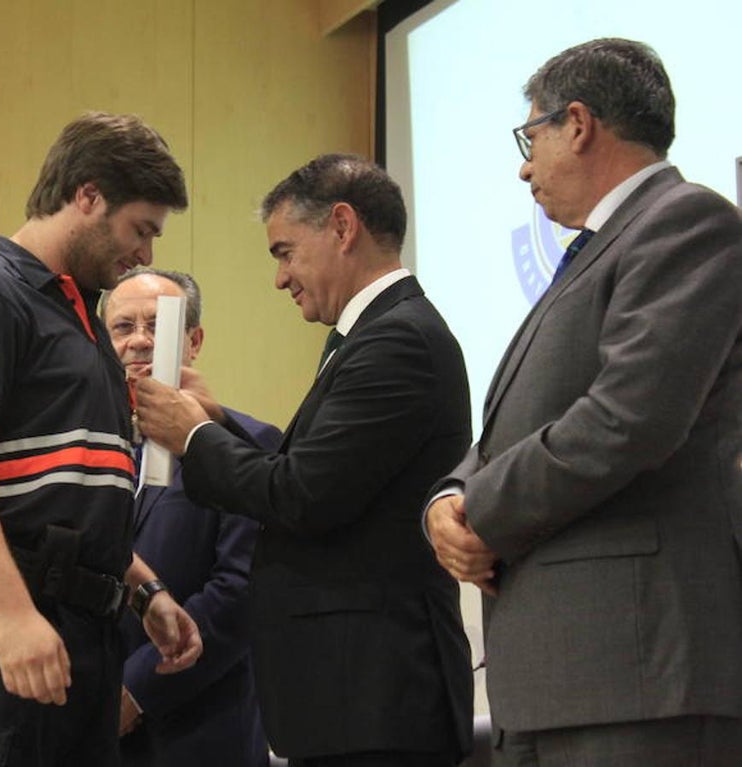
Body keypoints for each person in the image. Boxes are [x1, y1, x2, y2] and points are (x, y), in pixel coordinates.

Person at [425, 38, 742, 767]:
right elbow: (513, 427)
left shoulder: (685, 220)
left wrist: (478, 506)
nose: (523, 164)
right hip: (560, 679)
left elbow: (629, 419)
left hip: (636, 677)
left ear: (577, 122)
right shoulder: (594, 250)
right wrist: (445, 496)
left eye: (528, 136)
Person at [135, 155, 474, 767]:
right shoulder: (371, 336)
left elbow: (303, 495)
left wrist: (194, 439)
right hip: (350, 704)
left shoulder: (398, 340)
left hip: (377, 702)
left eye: (285, 252)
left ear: (342, 227)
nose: (280, 278)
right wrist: (216, 426)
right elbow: (320, 475)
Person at [0, 111, 203, 767]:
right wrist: (11, 614)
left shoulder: (83, 320)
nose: (146, 254)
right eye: (140, 229)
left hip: (83, 631)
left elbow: (64, 499)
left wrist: (147, 592)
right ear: (88, 196)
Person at [100, 267, 282, 767]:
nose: (139, 341)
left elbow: (239, 591)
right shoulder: (88, 451)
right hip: (84, 731)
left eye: (157, 326)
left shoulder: (246, 445)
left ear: (193, 340)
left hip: (200, 733)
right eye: (123, 327)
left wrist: (135, 692)